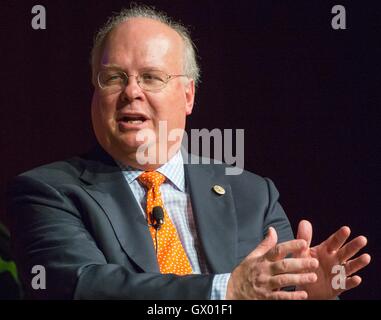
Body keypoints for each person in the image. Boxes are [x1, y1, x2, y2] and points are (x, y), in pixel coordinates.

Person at [7, 5, 370, 300]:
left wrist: (311, 294)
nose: (131, 92)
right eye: (114, 77)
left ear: (188, 96)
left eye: (151, 77)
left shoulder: (252, 195)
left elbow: (279, 291)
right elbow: (83, 288)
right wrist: (225, 291)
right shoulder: (48, 191)